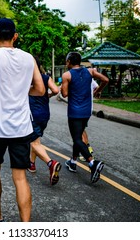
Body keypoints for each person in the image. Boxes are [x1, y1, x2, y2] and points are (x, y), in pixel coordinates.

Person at [0, 18, 45, 222]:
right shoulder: (29, 58)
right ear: (15, 36)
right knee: (20, 177)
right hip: (22, 127)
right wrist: (21, 91)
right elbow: (41, 90)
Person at [60, 52, 109, 183]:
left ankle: (92, 163)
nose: (66, 63)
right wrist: (97, 91)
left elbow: (64, 94)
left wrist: (70, 86)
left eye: (66, 61)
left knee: (77, 139)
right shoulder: (90, 71)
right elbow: (105, 80)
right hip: (86, 110)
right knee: (79, 136)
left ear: (69, 61)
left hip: (74, 111)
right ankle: (73, 162)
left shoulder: (67, 75)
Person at [28, 57, 61, 186]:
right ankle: (31, 164)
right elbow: (56, 90)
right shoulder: (45, 78)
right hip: (45, 114)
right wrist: (48, 96)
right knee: (36, 140)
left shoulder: (27, 79)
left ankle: (50, 163)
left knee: (34, 143)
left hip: (32, 115)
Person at [80, 77, 99, 162]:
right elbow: (97, 87)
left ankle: (86, 154)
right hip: (88, 108)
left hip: (80, 108)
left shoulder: (78, 78)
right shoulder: (90, 79)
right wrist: (95, 93)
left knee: (79, 131)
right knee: (82, 129)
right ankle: (88, 147)